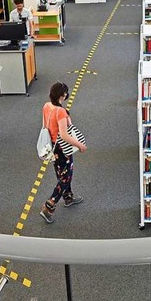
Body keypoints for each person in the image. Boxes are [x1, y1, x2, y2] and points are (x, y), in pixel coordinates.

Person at [40, 82, 87, 224]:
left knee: (62, 174)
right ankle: (48, 207)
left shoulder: (47, 106)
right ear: (62, 95)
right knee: (64, 178)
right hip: (62, 148)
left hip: (53, 147)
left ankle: (68, 197)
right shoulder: (60, 112)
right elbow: (65, 135)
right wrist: (80, 145)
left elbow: (46, 125)